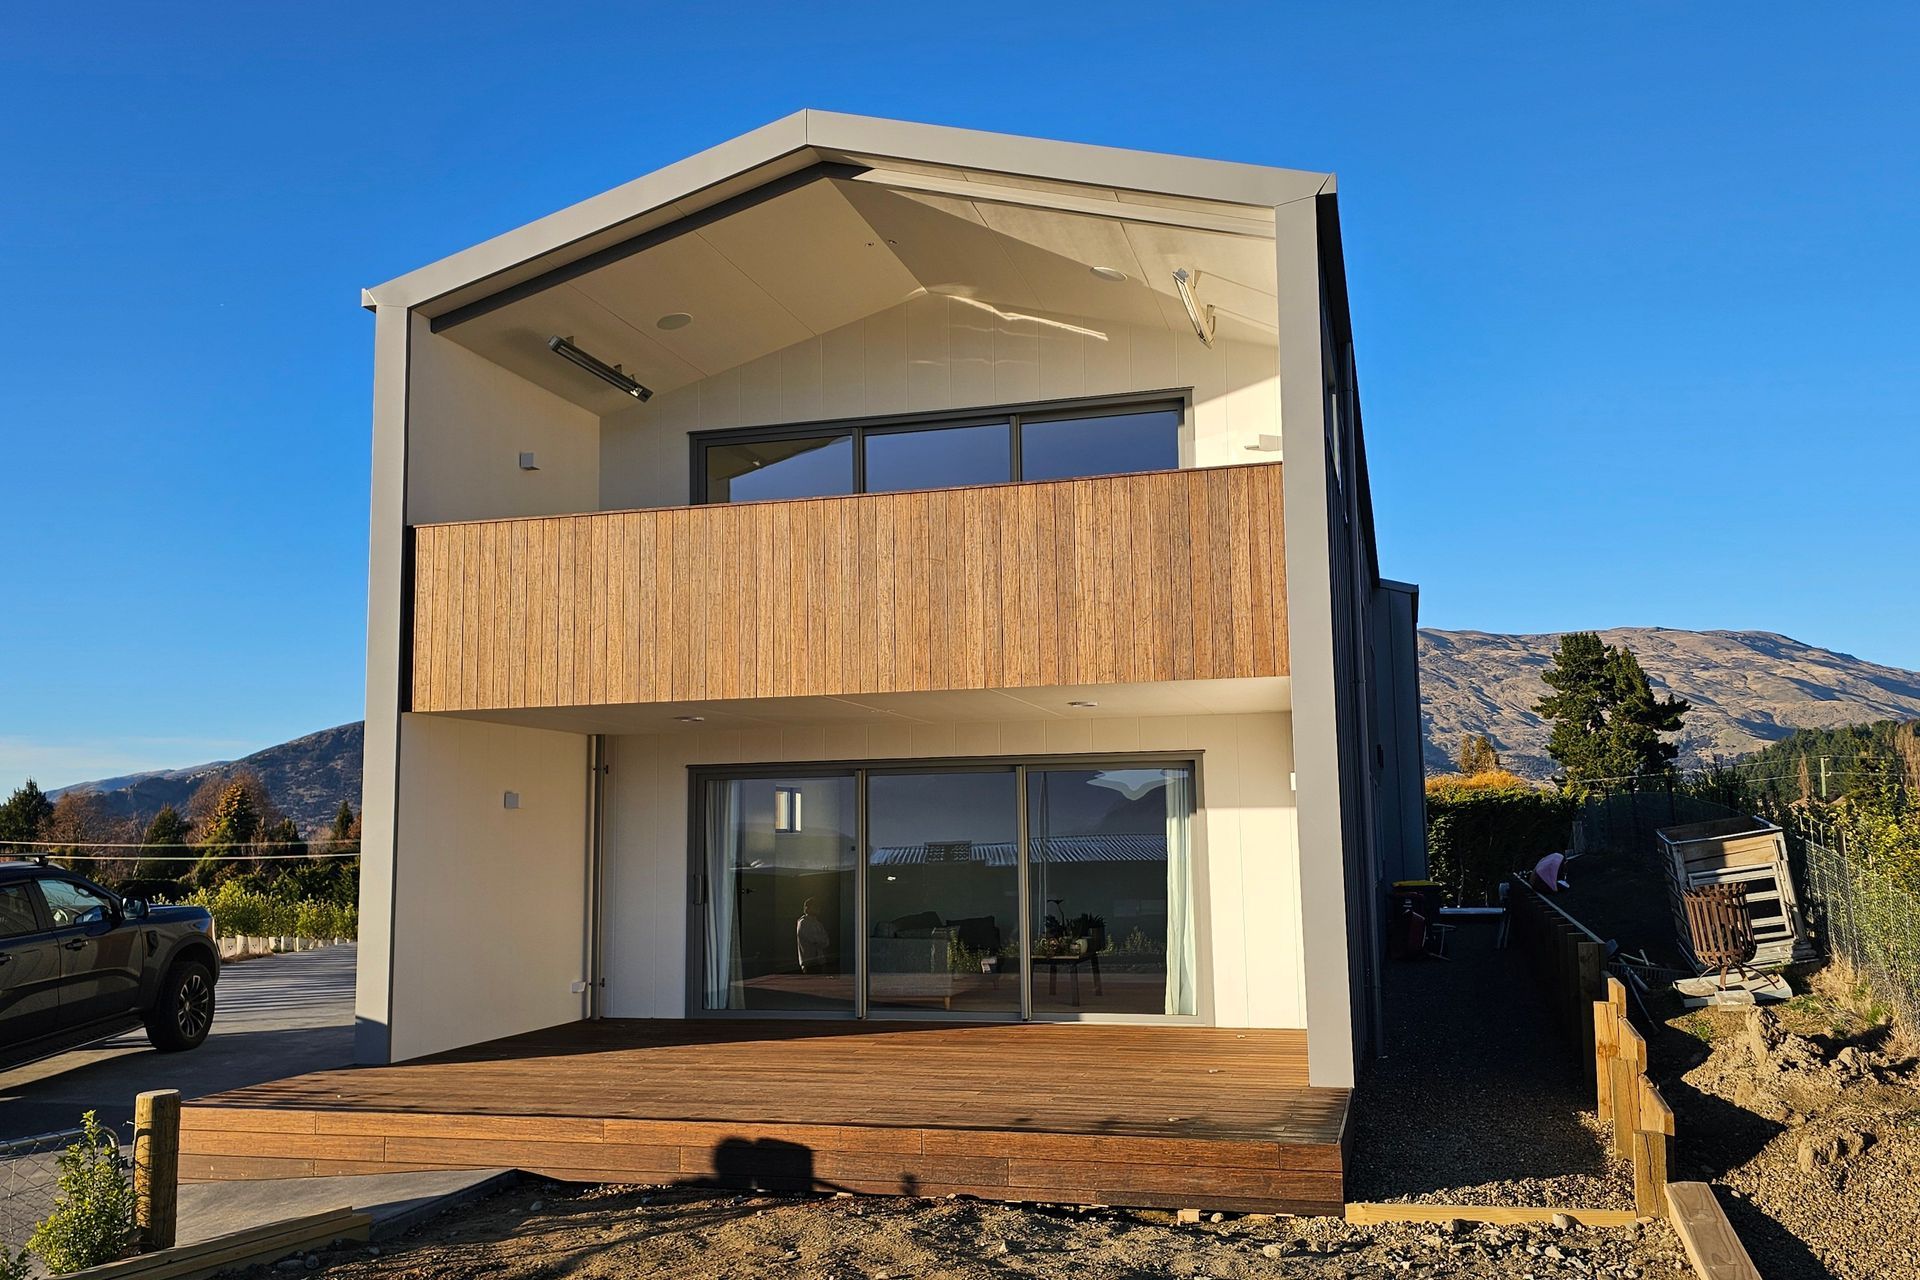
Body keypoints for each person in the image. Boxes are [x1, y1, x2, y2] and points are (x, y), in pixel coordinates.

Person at [795, 898, 831, 974]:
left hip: (820, 962)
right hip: (809, 963)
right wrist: (820, 940)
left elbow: (826, 941)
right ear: (808, 908)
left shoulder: (818, 924)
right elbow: (813, 939)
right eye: (815, 906)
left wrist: (820, 941)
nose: (818, 908)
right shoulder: (803, 922)